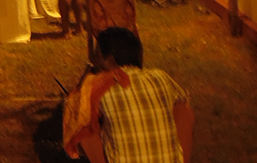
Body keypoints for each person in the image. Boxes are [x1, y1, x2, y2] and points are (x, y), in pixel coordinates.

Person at [64, 27, 193, 163]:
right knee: (183, 108)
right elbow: (184, 111)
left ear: (109, 59)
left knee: (83, 122)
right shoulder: (161, 77)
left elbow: (74, 111)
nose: (94, 62)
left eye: (97, 56)